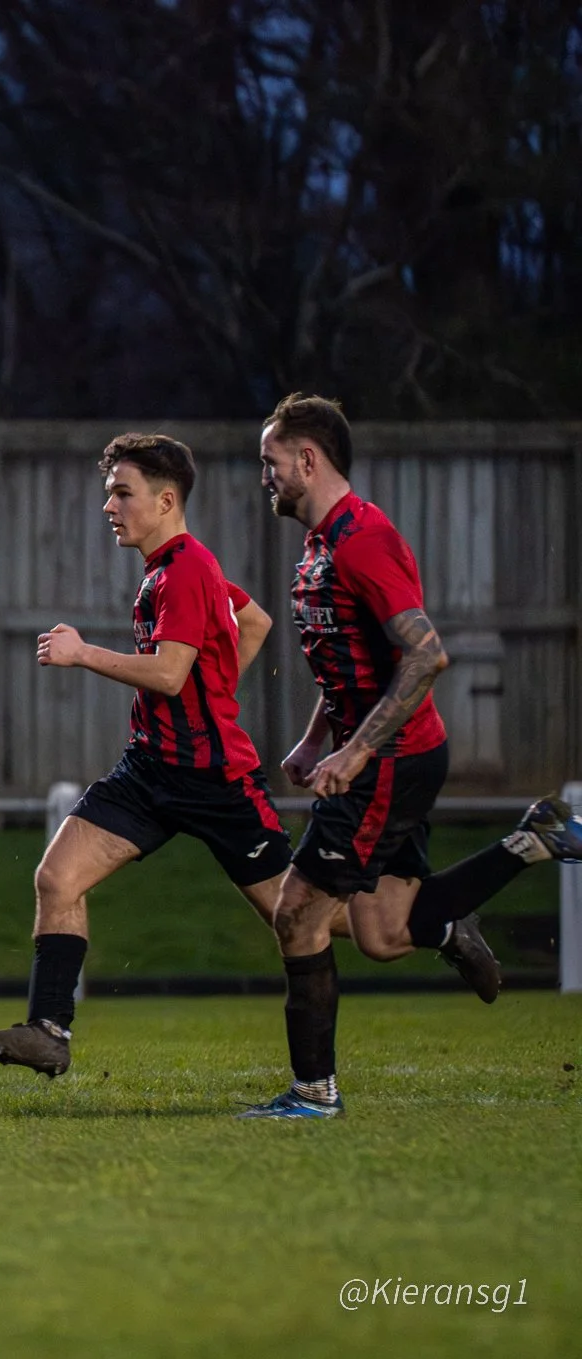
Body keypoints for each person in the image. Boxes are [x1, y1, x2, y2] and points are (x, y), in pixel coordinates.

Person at [241, 394, 581, 1120]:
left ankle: (312, 1094)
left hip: (392, 761)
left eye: (270, 463)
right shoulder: (321, 542)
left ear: (309, 459)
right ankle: (533, 841)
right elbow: (349, 664)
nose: (263, 478)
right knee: (384, 933)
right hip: (388, 756)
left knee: (297, 911)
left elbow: (426, 654)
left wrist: (358, 752)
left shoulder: (364, 539)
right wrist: (313, 739)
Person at [0, 434, 292, 1078]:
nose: (109, 505)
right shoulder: (174, 569)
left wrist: (84, 653)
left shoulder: (188, 569)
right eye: (109, 492)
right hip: (148, 769)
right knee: (57, 878)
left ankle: (440, 922)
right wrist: (215, 688)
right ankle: (48, 1030)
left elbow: (171, 676)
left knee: (305, 918)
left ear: (166, 499)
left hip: (213, 777)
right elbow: (253, 622)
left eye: (122, 492)